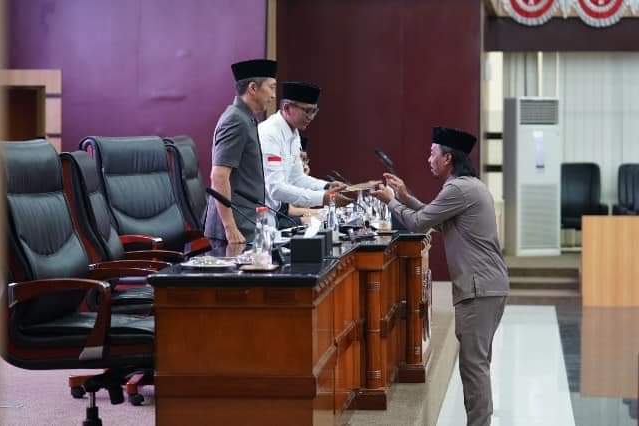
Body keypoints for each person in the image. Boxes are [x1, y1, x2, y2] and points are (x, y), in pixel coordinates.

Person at [371, 126, 509, 426]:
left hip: (479, 289)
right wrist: (405, 197)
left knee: (474, 368)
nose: (428, 159)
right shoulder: (466, 186)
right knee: (476, 365)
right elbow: (433, 217)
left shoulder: (457, 189)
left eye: (433, 154)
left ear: (448, 158)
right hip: (487, 286)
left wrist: (390, 200)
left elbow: (420, 224)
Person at [204, 59, 277, 245]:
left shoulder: (247, 118)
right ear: (253, 88)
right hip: (234, 232)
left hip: (247, 224)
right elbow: (219, 176)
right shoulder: (236, 120)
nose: (274, 95)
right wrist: (230, 228)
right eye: (271, 87)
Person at [258, 81, 351, 228]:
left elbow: (296, 178)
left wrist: (326, 186)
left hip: (272, 217)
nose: (311, 117)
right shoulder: (269, 133)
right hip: (256, 218)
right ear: (287, 108)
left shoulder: (294, 133)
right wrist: (323, 198)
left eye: (314, 111)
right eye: (307, 111)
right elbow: (275, 188)